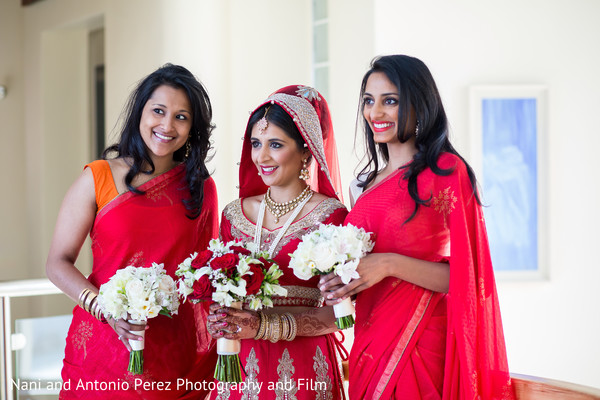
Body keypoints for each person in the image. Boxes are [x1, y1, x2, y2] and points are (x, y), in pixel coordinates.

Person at [319, 55, 516, 399]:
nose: (375, 113)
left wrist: (389, 264)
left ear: (418, 102)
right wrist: (341, 282)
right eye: (369, 100)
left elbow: (471, 279)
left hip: (422, 342)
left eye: (390, 101)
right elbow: (364, 272)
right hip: (369, 343)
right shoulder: (360, 187)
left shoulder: (445, 171)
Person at [46, 64, 218, 399]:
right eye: (158, 111)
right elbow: (57, 262)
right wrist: (104, 309)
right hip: (101, 347)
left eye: (181, 117)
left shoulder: (200, 188)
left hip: (173, 355)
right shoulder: (99, 177)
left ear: (192, 127)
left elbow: (204, 273)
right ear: (140, 112)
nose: (167, 125)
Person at [206, 85, 348, 400]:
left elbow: (343, 314)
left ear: (306, 152)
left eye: (275, 144)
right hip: (241, 363)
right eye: (256, 143)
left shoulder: (331, 217)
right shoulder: (234, 214)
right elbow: (219, 291)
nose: (262, 156)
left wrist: (265, 326)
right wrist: (217, 315)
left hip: (304, 366)